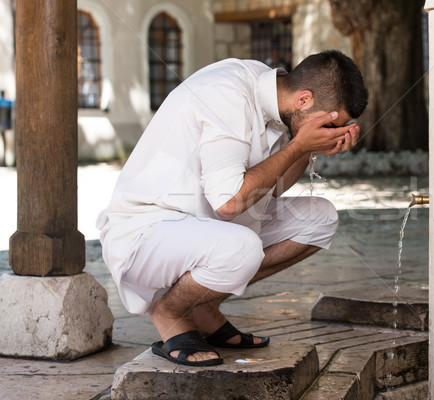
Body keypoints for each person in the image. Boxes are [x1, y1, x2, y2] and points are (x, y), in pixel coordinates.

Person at [96, 50, 368, 367]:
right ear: (304, 100)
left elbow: (273, 188)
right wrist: (299, 145)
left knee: (320, 218)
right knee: (242, 248)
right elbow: (228, 204)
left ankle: (203, 307)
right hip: (147, 230)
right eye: (330, 123)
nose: (331, 130)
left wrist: (310, 150)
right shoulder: (227, 95)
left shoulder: (279, 103)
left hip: (203, 230)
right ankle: (170, 311)